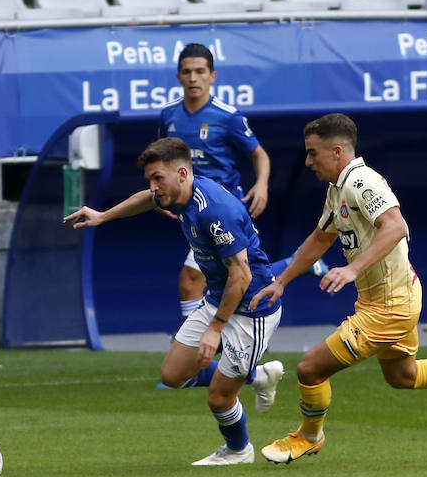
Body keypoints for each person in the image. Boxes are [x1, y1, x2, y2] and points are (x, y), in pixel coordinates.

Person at [253, 113, 427, 465]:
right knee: (404, 375)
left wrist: (352, 268)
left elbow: (396, 226)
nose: (307, 161)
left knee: (310, 368)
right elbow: (320, 237)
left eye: (313, 153)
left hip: (389, 306)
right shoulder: (338, 188)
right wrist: (281, 281)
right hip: (393, 297)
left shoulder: (362, 182)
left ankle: (309, 437)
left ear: (338, 151)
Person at [65, 137, 286, 465]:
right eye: (150, 179)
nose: (153, 187)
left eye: (158, 179)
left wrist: (215, 328)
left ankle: (239, 450)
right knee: (172, 376)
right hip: (217, 298)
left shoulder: (214, 211)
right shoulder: (179, 194)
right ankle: (257, 376)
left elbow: (242, 277)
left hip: (252, 309)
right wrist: (102, 216)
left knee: (219, 398)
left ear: (182, 173)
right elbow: (147, 200)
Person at [122, 43, 325, 320]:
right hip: (191, 209)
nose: (193, 78)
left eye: (200, 71)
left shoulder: (227, 116)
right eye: (187, 72)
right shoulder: (169, 114)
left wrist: (262, 184)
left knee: (191, 281)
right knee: (223, 277)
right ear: (178, 77)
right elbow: (161, 158)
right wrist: (159, 194)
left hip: (221, 207)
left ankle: (194, 347)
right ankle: (296, 264)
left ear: (212, 76)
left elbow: (259, 155)